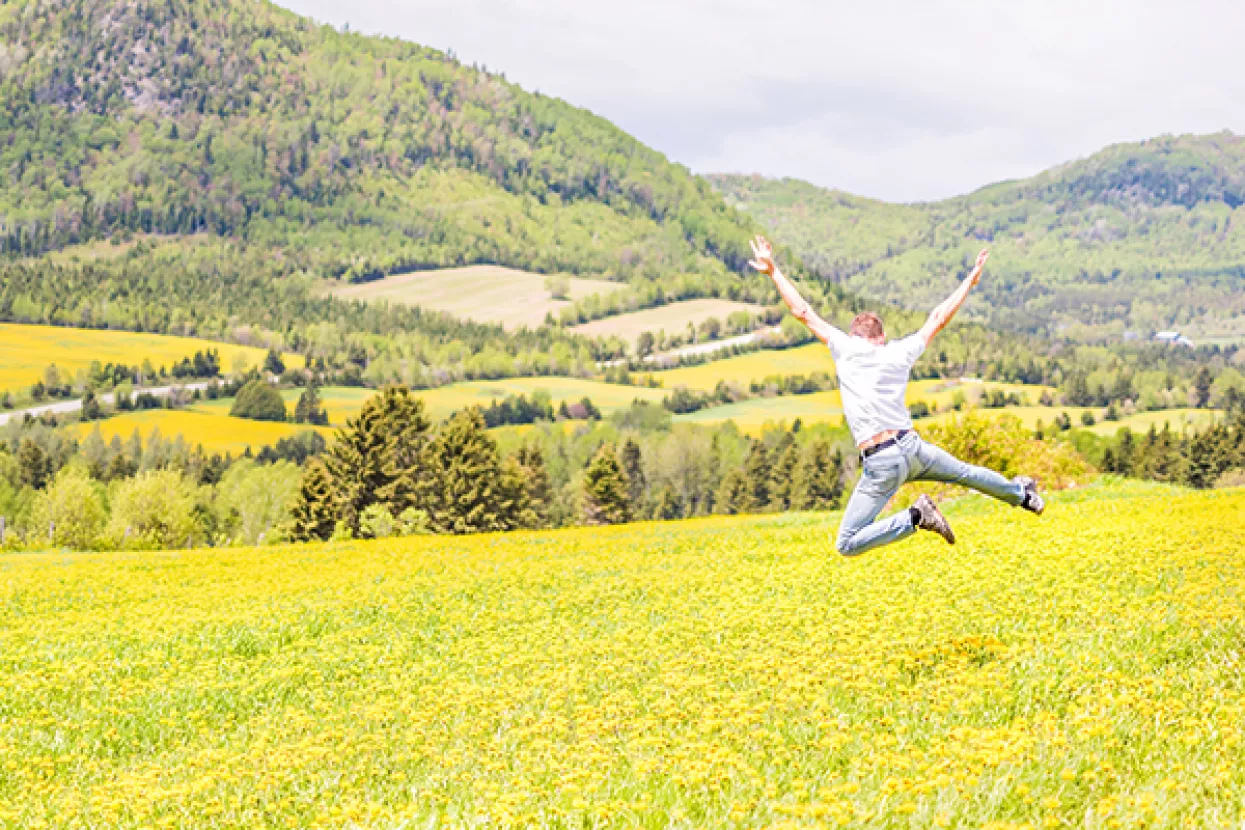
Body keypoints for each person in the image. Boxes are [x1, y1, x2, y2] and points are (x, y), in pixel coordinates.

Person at [747, 236, 1044, 555]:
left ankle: (916, 516)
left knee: (847, 543)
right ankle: (1023, 495)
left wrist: (773, 271)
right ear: (882, 337)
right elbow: (938, 318)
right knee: (965, 473)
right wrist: (969, 281)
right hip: (913, 448)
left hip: (882, 460)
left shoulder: (845, 349)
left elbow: (802, 311)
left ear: (854, 335)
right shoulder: (899, 351)